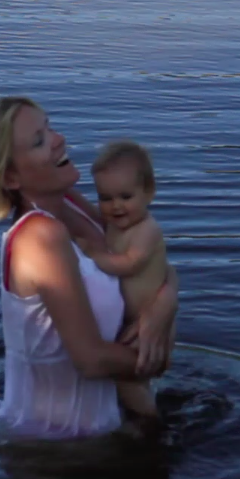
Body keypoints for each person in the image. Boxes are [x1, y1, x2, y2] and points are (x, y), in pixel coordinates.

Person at [0, 96, 178, 440]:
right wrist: (158, 360)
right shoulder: (39, 237)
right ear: (11, 177)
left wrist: (163, 307)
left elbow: (149, 263)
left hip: (107, 427)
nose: (59, 139)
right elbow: (91, 360)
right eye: (39, 141)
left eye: (50, 127)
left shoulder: (72, 204)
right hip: (58, 446)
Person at [76, 141, 172, 420]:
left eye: (125, 196)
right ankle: (135, 416)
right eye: (105, 198)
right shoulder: (114, 225)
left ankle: (150, 423)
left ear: (149, 192)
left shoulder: (146, 230)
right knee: (129, 382)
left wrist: (92, 254)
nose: (115, 206)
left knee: (127, 382)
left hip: (145, 328)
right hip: (129, 326)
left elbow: (129, 264)